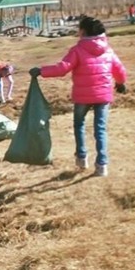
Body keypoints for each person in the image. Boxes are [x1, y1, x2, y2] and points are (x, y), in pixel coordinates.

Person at [29, 15, 128, 178]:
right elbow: (119, 69)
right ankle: (102, 165)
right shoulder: (108, 50)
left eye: (79, 29)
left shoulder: (77, 50)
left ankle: (82, 158)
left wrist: (41, 71)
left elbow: (62, 68)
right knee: (100, 129)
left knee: (79, 125)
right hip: (103, 95)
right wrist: (120, 83)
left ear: (83, 31)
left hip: (82, 96)